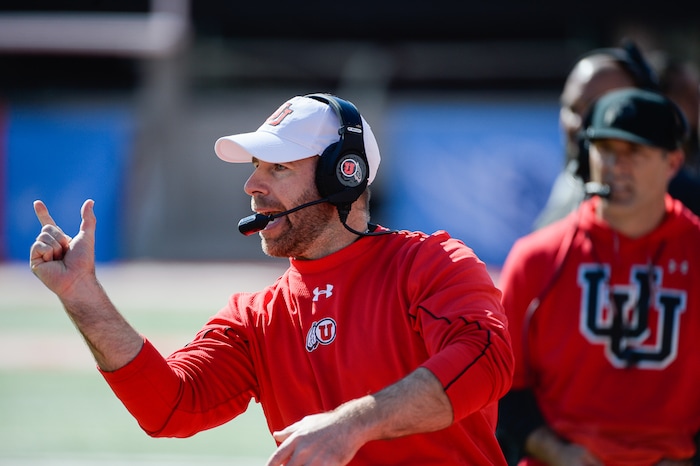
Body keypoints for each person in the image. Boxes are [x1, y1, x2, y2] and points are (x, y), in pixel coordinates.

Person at [30, 93, 514, 465]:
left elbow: (486, 360)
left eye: (278, 167)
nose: (252, 185)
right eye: (257, 167)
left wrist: (353, 424)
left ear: (342, 175)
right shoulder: (255, 317)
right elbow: (170, 406)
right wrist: (82, 295)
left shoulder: (432, 263)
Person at [497, 88, 700, 465]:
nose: (614, 165)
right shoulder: (537, 258)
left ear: (673, 163)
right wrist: (558, 452)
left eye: (633, 152)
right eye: (604, 149)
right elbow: (499, 387)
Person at [533, 40, 661, 230]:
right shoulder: (570, 182)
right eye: (573, 109)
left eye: (597, 110)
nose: (579, 124)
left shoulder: (686, 201)